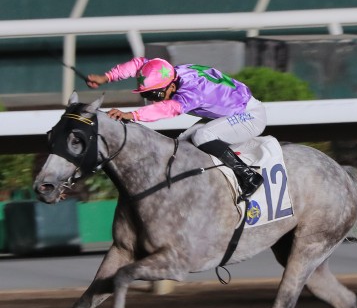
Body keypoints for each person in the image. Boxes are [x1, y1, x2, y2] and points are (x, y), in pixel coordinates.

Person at [86, 57, 265, 202]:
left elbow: (168, 109)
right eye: (147, 94)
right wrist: (105, 78)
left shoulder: (192, 90)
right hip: (229, 114)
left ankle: (249, 176)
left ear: (171, 86)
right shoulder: (168, 73)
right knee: (182, 145)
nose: (153, 100)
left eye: (155, 94)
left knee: (203, 136)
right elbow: (138, 64)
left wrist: (132, 115)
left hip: (250, 116)